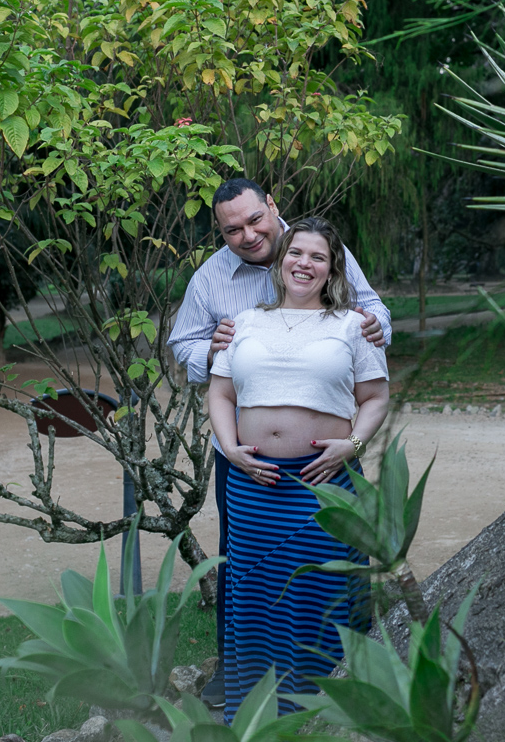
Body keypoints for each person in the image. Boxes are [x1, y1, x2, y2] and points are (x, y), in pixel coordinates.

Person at [167, 177, 391, 707]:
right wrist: (214, 353)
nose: (246, 235)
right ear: (220, 233)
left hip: (322, 469)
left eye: (254, 221)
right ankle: (239, 675)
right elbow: (186, 347)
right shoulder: (217, 283)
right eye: (232, 230)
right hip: (247, 464)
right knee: (246, 574)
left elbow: (370, 309)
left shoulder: (316, 251)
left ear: (273, 207)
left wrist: (372, 327)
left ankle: (338, 688)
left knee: (325, 580)